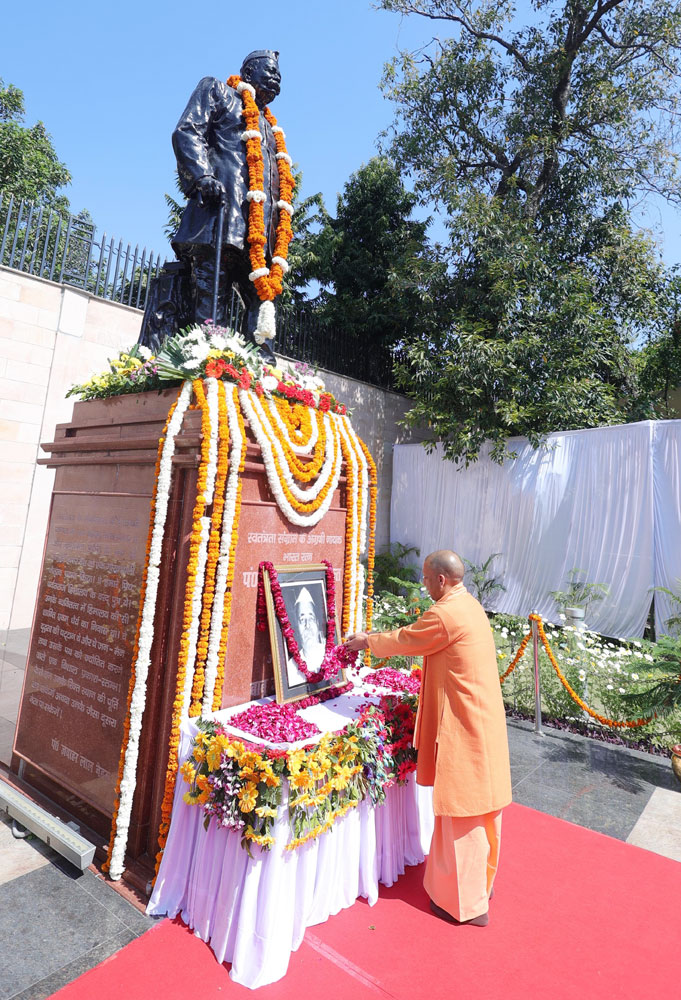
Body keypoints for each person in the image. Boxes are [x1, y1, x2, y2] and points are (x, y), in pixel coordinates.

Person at [344, 549, 512, 926]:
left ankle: (465, 905)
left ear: (441, 580)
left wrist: (367, 641)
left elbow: (408, 639)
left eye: (424, 577)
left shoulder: (446, 613)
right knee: (484, 812)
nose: (422, 583)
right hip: (483, 724)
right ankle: (481, 885)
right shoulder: (469, 605)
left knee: (460, 813)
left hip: (464, 729)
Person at [171, 50, 283, 362]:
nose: (276, 79)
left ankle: (264, 372)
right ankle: (208, 361)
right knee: (212, 297)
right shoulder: (218, 91)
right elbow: (187, 131)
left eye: (279, 76)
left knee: (263, 300)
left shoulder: (273, 130)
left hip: (260, 235)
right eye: (270, 71)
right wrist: (202, 175)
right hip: (222, 216)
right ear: (248, 72)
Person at [286, 586, 326, 686]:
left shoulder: (331, 654)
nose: (307, 625)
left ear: (317, 623)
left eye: (311, 618)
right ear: (297, 627)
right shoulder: (291, 668)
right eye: (302, 619)